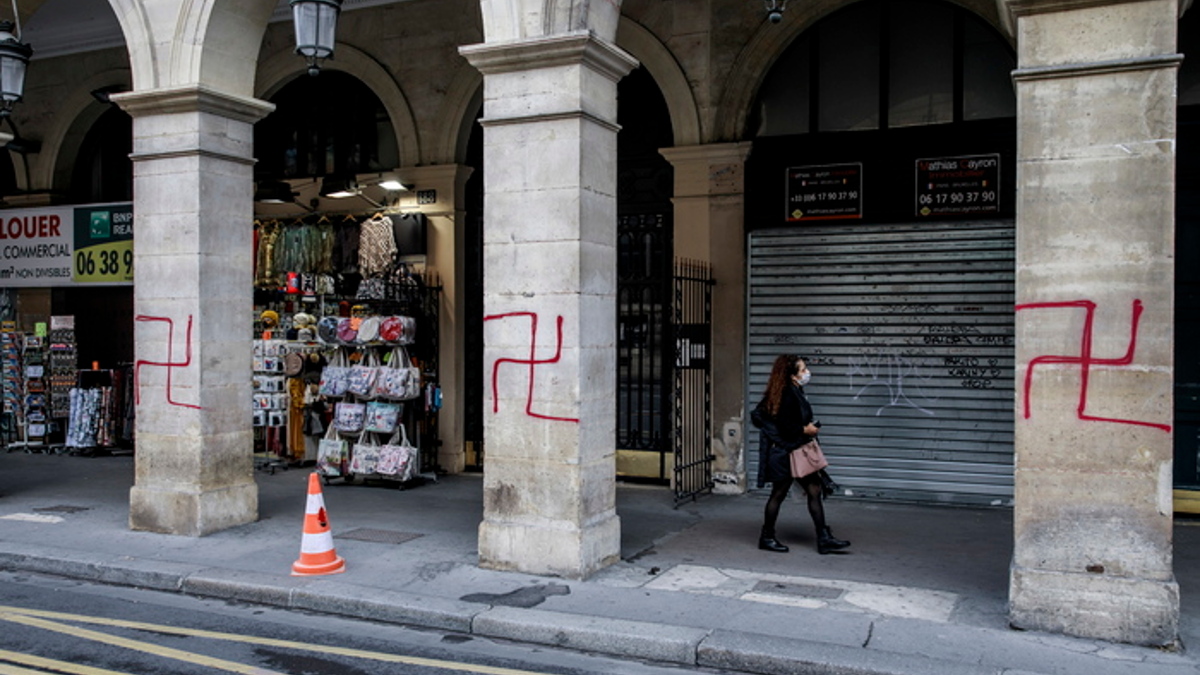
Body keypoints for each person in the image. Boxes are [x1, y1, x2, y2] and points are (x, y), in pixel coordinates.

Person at [751, 354, 851, 555]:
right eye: (803, 369)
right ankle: (767, 537)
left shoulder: (790, 391)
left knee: (813, 490)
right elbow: (787, 427)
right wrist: (807, 430)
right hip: (788, 453)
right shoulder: (788, 394)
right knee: (779, 494)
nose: (807, 373)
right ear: (792, 375)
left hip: (794, 451)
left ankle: (823, 538)